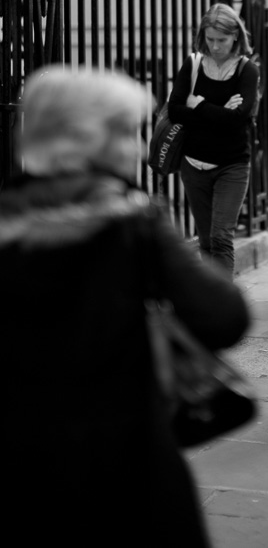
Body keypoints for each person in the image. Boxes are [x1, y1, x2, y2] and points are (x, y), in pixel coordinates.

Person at [0, 66, 250, 548]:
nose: (138, 148)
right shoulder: (132, 225)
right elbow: (226, 317)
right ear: (91, 139)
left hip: (20, 464)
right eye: (126, 133)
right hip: (127, 461)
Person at [169, 3, 259, 274]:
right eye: (210, 39)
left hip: (232, 165)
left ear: (236, 37)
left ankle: (223, 308)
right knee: (206, 240)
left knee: (221, 237)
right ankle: (210, 301)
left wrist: (198, 106)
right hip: (193, 165)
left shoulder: (247, 70)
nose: (216, 46)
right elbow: (175, 111)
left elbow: (239, 119)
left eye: (222, 40)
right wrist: (220, 112)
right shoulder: (193, 64)